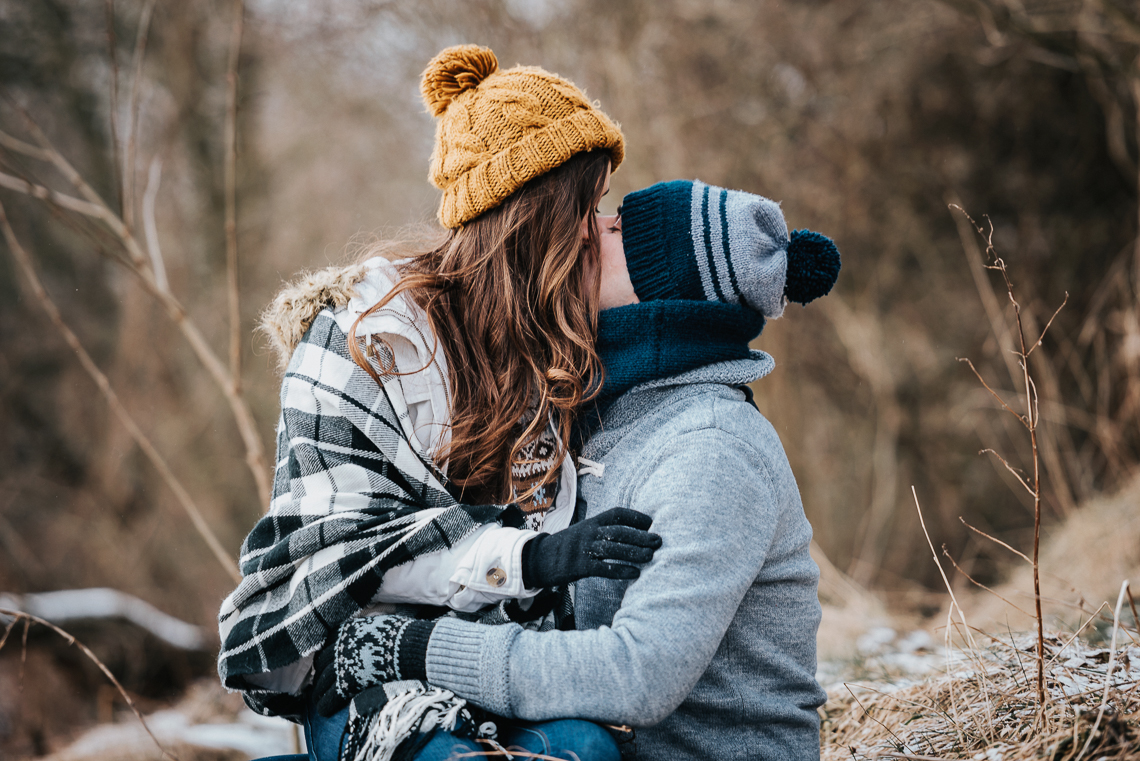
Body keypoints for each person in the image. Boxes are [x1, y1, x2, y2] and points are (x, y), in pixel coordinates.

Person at [216, 44, 660, 761]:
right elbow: (349, 554)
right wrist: (532, 558)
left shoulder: (560, 344)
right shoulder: (364, 341)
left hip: (496, 659)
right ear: (534, 216)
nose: (596, 229)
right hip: (364, 661)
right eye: (588, 205)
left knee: (586, 749)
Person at [313, 179, 842, 760]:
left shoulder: (711, 448)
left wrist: (413, 648)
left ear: (663, 293)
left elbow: (634, 676)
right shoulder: (604, 420)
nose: (589, 228)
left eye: (617, 230)